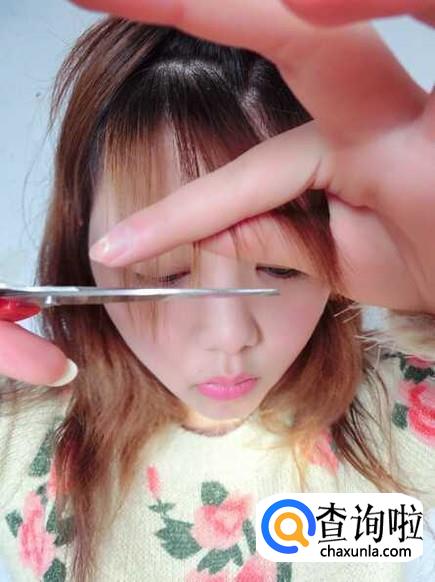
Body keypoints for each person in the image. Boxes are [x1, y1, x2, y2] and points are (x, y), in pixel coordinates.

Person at [1, 15, 434, 582]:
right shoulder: (17, 436)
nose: (230, 336)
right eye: (166, 272)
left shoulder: (404, 411)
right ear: (81, 239)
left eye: (283, 266)